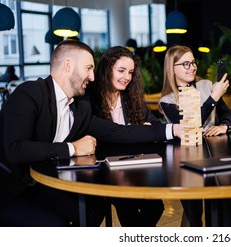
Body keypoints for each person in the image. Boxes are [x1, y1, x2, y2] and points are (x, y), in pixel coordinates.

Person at [0, 39, 181, 227]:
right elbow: (16, 149)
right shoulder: (29, 93)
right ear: (68, 65)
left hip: (43, 185)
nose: (93, 77)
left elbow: (118, 132)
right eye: (88, 68)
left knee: (94, 209)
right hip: (12, 190)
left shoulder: (80, 108)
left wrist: (172, 129)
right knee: (59, 225)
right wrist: (72, 148)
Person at [83, 46, 164, 226]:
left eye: (130, 72)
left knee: (156, 207)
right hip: (103, 171)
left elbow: (156, 125)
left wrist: (148, 126)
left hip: (133, 169)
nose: (126, 77)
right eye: (121, 70)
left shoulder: (130, 98)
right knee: (127, 206)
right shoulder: (90, 100)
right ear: (106, 69)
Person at [158, 45, 231, 226]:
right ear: (172, 68)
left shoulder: (206, 86)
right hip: (187, 158)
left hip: (215, 153)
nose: (192, 67)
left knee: (224, 200)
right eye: (185, 64)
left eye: (193, 62)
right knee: (194, 211)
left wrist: (224, 126)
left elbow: (228, 113)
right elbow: (189, 126)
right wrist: (213, 98)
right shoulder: (167, 101)